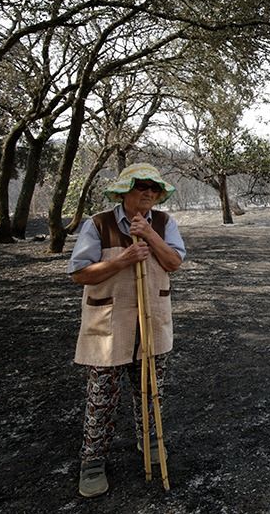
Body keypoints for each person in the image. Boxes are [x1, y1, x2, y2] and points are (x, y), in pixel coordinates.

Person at [67, 163, 186, 498]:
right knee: (101, 398)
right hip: (109, 323)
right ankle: (92, 462)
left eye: (153, 188)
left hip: (152, 322)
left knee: (150, 393)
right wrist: (123, 259)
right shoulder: (99, 224)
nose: (148, 193)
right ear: (123, 191)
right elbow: (80, 274)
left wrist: (149, 236)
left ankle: (150, 443)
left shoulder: (163, 223)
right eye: (140, 186)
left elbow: (174, 263)